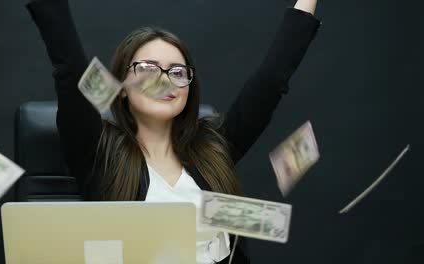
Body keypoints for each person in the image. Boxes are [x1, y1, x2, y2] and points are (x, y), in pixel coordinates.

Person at [26, 0, 320, 262]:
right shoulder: (98, 149)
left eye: (177, 72)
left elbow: (270, 81)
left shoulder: (213, 145)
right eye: (148, 69)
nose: (165, 81)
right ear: (123, 86)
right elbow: (70, 68)